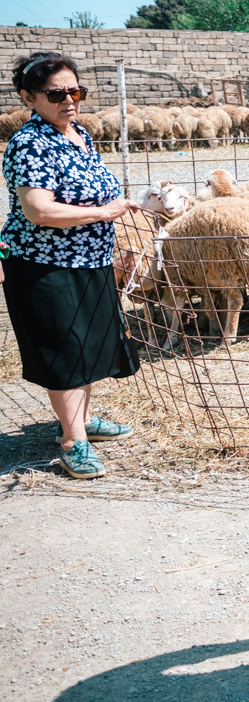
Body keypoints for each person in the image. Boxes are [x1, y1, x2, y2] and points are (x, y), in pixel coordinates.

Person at [2, 52, 141, 480]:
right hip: (45, 266)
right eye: (56, 93)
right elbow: (39, 210)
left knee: (89, 346)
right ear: (28, 97)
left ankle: (80, 419)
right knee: (64, 351)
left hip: (90, 262)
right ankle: (72, 442)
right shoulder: (30, 143)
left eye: (75, 91)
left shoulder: (79, 132)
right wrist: (105, 213)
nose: (69, 100)